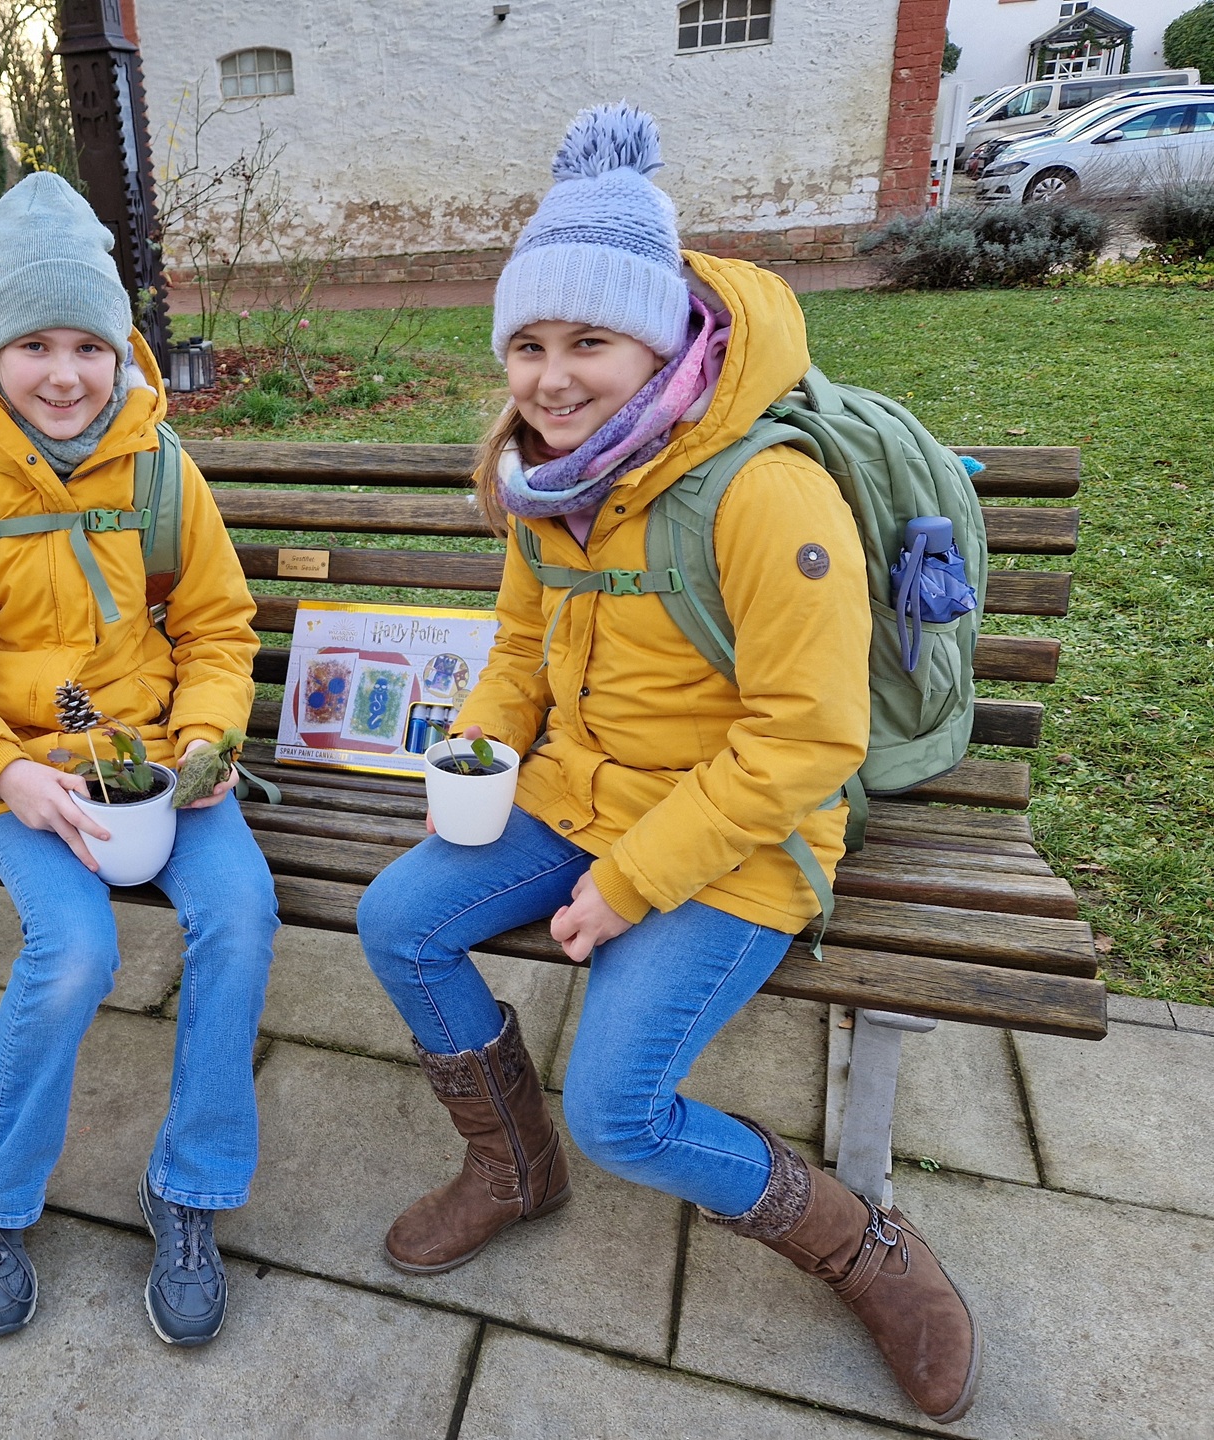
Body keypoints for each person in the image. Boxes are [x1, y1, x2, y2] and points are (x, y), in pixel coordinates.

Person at [355, 106, 980, 1424]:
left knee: (623, 1111)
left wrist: (632, 882)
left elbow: (811, 740)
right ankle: (506, 1165)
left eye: (589, 339)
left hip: (747, 841)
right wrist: (481, 743)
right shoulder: (545, 478)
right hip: (582, 798)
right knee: (401, 919)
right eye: (528, 343)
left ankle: (856, 1243)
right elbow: (522, 648)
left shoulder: (764, 492)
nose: (551, 375)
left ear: (662, 335)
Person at [0, 173, 277, 1347]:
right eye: (34, 345)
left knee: (244, 915)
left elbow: (217, 628)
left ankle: (191, 1188)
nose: (64, 374)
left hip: (161, 762)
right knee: (75, 952)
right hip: (20, 772)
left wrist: (205, 744)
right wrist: (4, 774)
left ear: (123, 349)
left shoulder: (161, 470)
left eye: (88, 346)